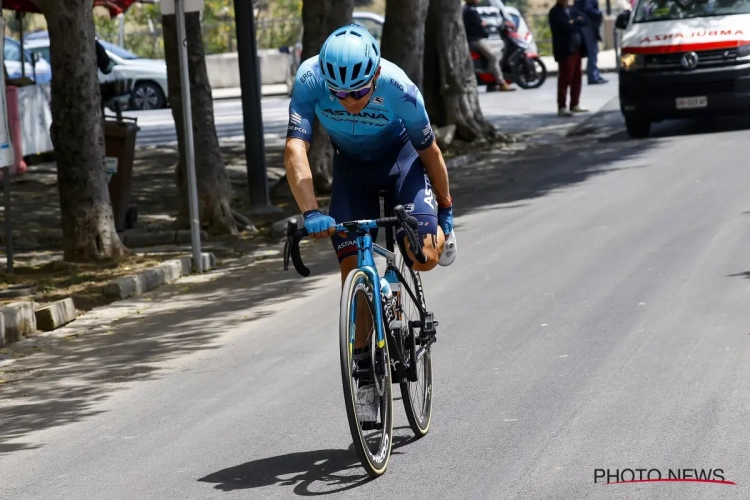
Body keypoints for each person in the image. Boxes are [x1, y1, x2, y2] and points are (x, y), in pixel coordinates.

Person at [285, 24, 456, 423]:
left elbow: (429, 151)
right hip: (352, 172)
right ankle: (365, 378)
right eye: (339, 94)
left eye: (358, 92)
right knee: (352, 276)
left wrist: (446, 210)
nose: (348, 102)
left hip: (402, 164)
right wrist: (311, 212)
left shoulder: (399, 87)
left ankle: (401, 283)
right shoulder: (310, 78)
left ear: (375, 75)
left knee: (425, 253)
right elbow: (296, 147)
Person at [549, 0, 590, 117]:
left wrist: (574, 21)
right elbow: (564, 26)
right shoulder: (555, 12)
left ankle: (575, 104)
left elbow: (585, 20)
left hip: (577, 47)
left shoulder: (573, 9)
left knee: (577, 76)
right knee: (565, 77)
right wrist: (574, 23)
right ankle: (562, 106)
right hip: (565, 49)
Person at [463, 0, 515, 91]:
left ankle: (491, 82)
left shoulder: (467, 9)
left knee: (488, 59)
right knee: (493, 57)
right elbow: (478, 26)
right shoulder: (470, 11)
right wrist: (483, 26)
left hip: (474, 39)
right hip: (476, 40)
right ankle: (501, 82)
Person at [574, 0, 608, 84]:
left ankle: (594, 74)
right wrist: (599, 13)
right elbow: (588, 9)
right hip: (588, 23)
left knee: (592, 50)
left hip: (585, 22)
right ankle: (593, 76)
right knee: (593, 50)